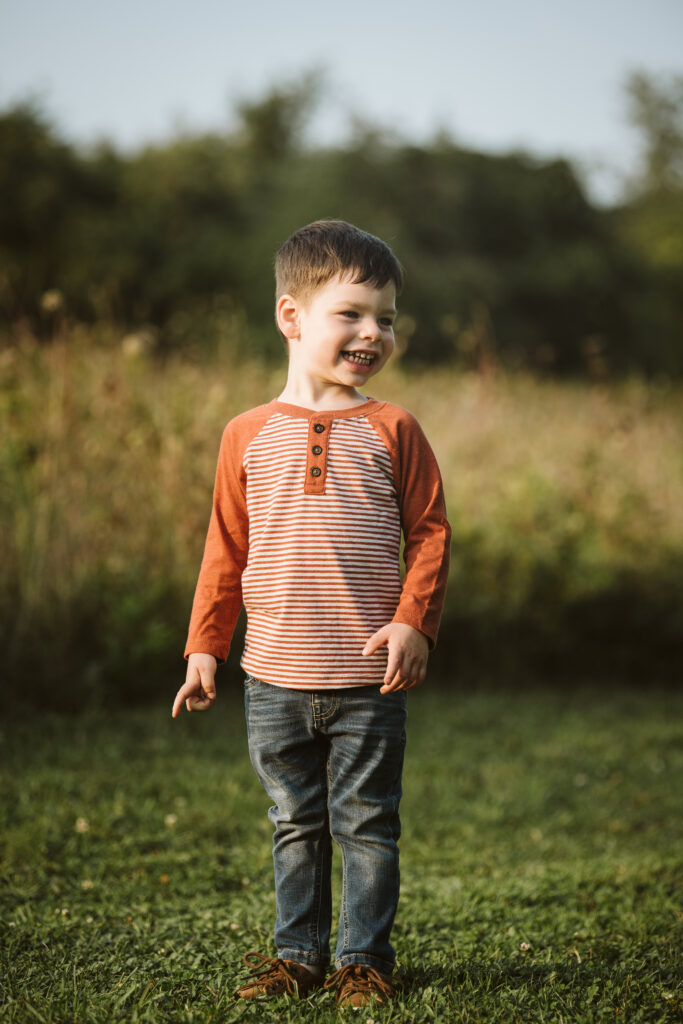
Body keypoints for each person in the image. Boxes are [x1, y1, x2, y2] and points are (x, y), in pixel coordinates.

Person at [172, 220, 451, 1008]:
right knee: (294, 824)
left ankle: (364, 959)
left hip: (367, 679)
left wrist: (413, 621)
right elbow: (224, 549)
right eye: (353, 313)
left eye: (388, 318)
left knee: (366, 826)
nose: (374, 332)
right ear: (291, 316)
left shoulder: (394, 429)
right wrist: (204, 648)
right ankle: (297, 957)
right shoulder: (246, 436)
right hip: (273, 679)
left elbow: (430, 533)